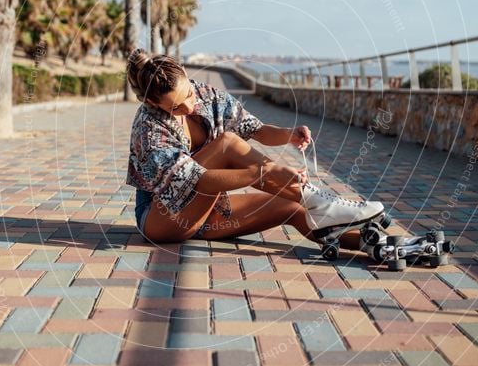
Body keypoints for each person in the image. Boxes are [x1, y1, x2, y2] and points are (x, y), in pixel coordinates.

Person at [125, 50, 384, 245]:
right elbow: (199, 182)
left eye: (189, 95)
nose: (189, 107)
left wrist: (289, 135)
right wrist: (263, 174)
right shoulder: (148, 128)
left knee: (293, 208)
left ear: (186, 76)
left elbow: (255, 129)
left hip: (206, 213)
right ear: (152, 101)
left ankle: (369, 242)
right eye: (175, 107)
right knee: (226, 144)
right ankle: (320, 200)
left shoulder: (206, 94)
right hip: (162, 217)